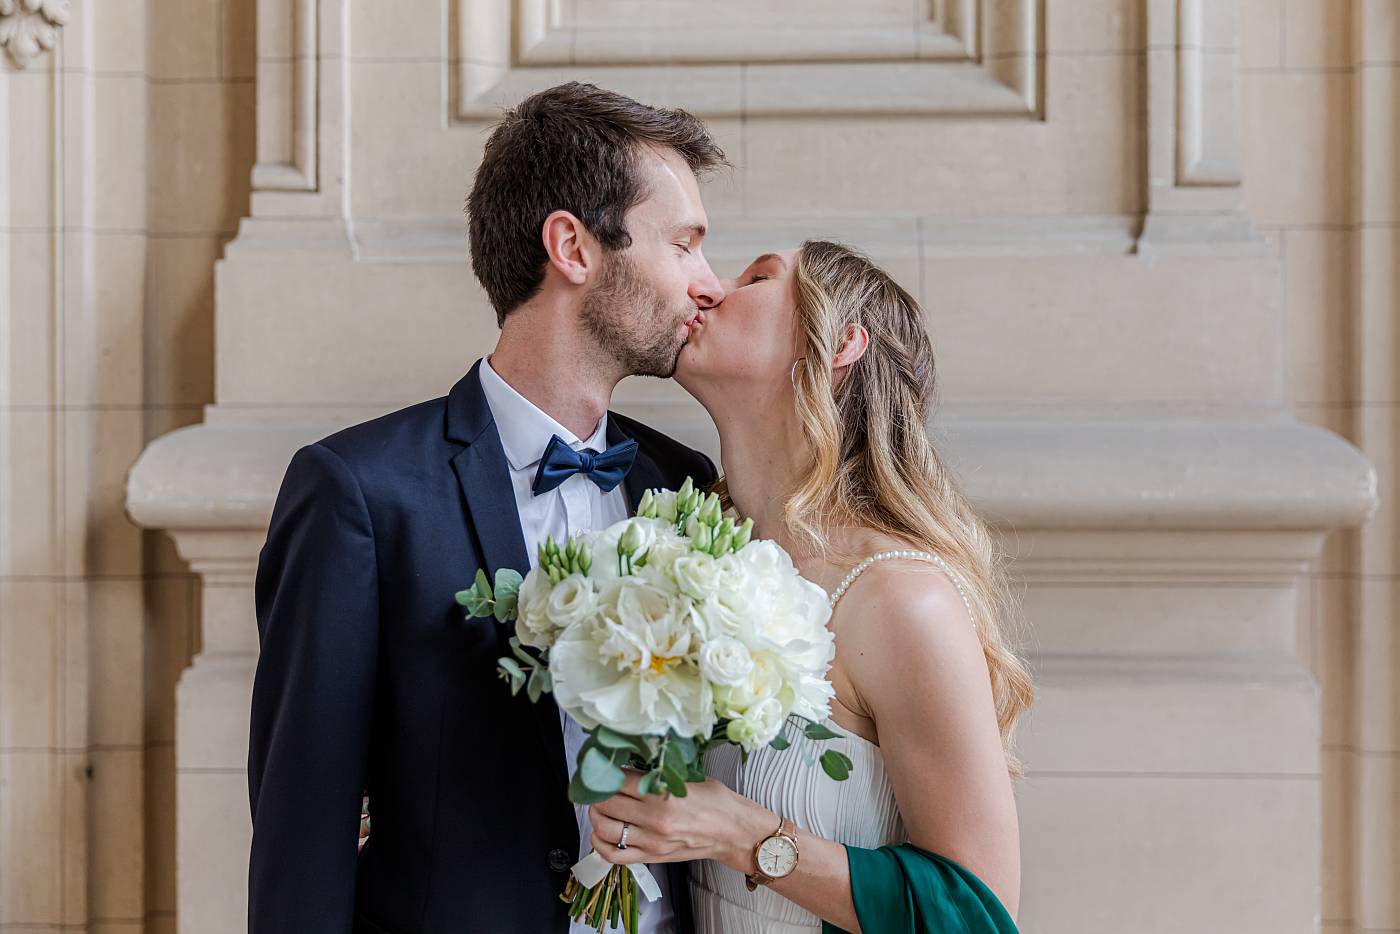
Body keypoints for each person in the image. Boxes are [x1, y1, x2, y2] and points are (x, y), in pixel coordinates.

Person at [247, 81, 728, 934]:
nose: (708, 284)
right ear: (572, 247)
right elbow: (303, 840)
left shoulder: (681, 483)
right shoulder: (359, 493)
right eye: (684, 245)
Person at [583, 242, 1033, 933]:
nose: (708, 288)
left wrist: (746, 836)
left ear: (838, 344)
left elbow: (977, 918)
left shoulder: (900, 600)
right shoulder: (686, 550)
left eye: (757, 277)